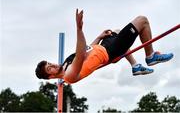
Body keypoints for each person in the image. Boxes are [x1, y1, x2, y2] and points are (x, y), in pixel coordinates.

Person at [35, 9, 173, 84]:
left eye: (49, 63)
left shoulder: (65, 63)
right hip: (111, 52)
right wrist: (79, 29)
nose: (52, 65)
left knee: (117, 31)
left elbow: (88, 49)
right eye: (49, 68)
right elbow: (81, 52)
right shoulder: (69, 75)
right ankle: (151, 56)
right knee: (142, 20)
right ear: (50, 77)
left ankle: (135, 66)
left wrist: (99, 37)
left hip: (104, 47)